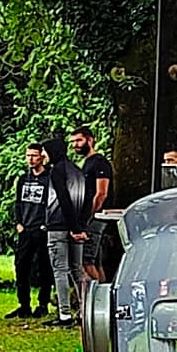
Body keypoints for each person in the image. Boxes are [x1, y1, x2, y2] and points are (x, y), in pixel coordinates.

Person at [8, 140, 61, 320]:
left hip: (42, 228)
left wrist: (45, 224)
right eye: (28, 155)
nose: (31, 159)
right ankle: (23, 304)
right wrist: (19, 223)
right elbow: (18, 203)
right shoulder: (23, 179)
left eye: (34, 156)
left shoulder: (49, 178)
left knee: (44, 266)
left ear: (42, 157)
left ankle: (43, 303)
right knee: (21, 265)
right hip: (25, 228)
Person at [50, 126, 100, 317]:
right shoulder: (78, 170)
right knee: (77, 269)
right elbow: (87, 199)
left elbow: (64, 199)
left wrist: (73, 226)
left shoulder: (57, 171)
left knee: (61, 269)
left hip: (59, 225)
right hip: (78, 225)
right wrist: (81, 224)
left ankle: (64, 313)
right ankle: (84, 309)